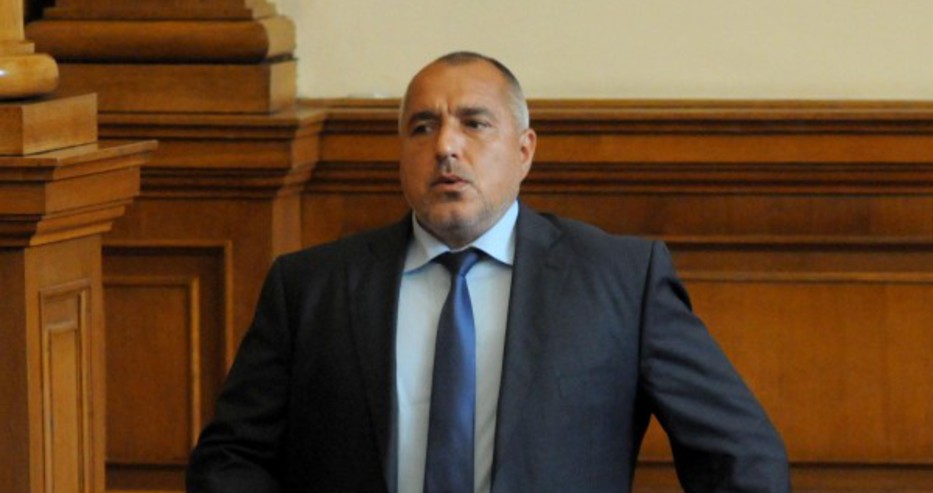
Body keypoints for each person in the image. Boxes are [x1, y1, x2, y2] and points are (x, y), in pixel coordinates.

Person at [186, 51, 790, 493]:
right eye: (423, 127)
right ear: (401, 153)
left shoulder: (622, 281)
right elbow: (231, 460)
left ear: (524, 151)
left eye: (474, 123)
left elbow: (741, 457)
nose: (446, 146)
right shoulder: (311, 288)